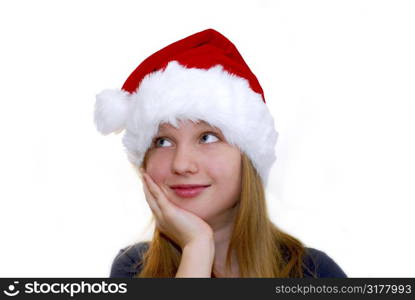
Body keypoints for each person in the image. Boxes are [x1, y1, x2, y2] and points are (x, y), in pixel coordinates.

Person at [94, 28, 347, 278]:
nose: (181, 164)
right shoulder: (133, 269)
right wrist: (197, 249)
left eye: (207, 137)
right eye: (162, 141)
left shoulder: (314, 274)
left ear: (247, 156)